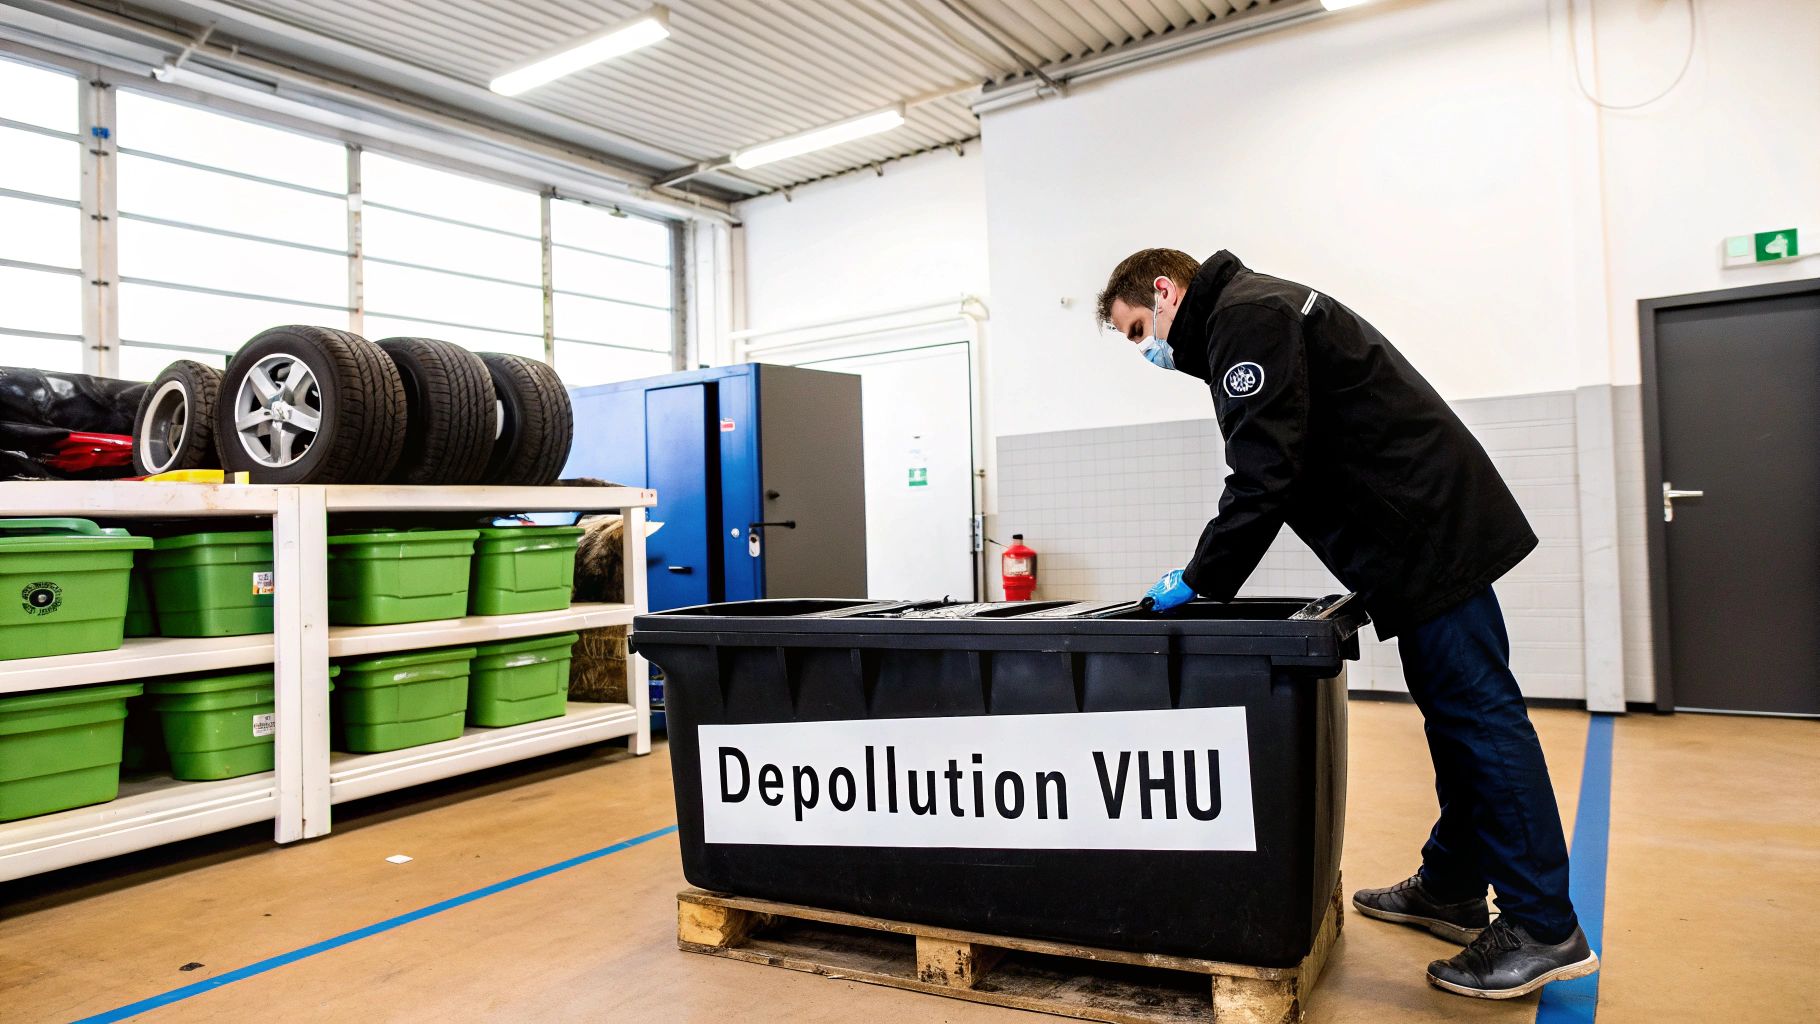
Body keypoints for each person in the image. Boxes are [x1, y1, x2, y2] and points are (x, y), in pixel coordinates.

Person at [1097, 248, 1599, 1000]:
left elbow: (1265, 471)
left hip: (1425, 532)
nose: (1150, 352)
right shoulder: (1248, 314)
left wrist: (1201, 579)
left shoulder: (1245, 317)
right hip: (1415, 533)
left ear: (1165, 291)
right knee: (1455, 716)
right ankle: (1454, 885)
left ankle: (1542, 925)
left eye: (1140, 330)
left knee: (1480, 717)